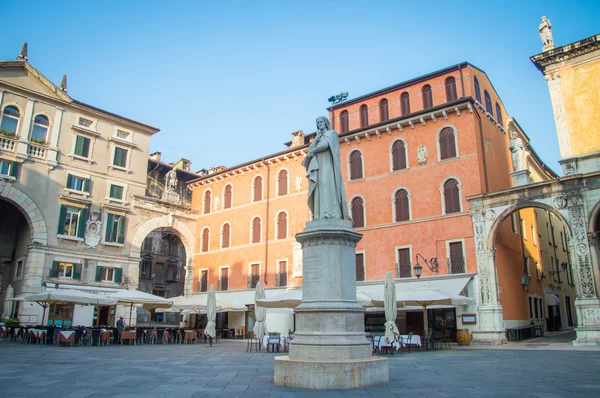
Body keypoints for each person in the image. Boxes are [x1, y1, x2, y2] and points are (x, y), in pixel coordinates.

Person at [301, 116, 350, 221]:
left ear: (326, 123)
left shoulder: (332, 133)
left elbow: (325, 145)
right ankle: (320, 214)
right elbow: (309, 149)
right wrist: (316, 140)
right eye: (317, 123)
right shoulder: (319, 137)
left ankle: (331, 213)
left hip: (327, 166)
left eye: (321, 122)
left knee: (328, 186)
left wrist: (314, 151)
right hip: (319, 166)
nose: (319, 124)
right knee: (319, 188)